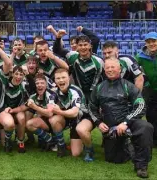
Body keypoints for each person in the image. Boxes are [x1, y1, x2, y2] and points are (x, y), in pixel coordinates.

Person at [89, 58, 153, 178]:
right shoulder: (99, 87)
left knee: (146, 127)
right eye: (107, 67)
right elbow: (91, 107)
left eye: (113, 67)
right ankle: (130, 144)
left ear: (120, 69)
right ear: (104, 69)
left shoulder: (128, 86)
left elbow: (141, 105)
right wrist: (98, 122)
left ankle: (141, 166)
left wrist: (126, 122)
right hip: (111, 128)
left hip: (128, 123)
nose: (110, 70)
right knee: (115, 159)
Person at [53, 32, 104, 162]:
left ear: (90, 46)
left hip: (94, 99)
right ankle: (80, 140)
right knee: (75, 153)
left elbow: (106, 80)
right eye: (80, 45)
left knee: (98, 121)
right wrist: (58, 37)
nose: (82, 47)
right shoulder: (73, 57)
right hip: (78, 96)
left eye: (85, 45)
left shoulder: (99, 61)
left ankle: (95, 146)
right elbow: (57, 50)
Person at [50, 68, 88, 157]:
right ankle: (61, 145)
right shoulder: (54, 91)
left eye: (63, 77)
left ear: (69, 78)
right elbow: (50, 106)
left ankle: (84, 140)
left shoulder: (74, 91)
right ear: (55, 80)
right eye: (58, 78)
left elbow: (74, 113)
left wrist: (58, 111)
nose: (61, 80)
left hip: (80, 119)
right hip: (68, 118)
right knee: (53, 119)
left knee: (75, 153)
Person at [25, 73, 56, 151]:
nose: (39, 85)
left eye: (42, 83)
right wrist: (12, 110)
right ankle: (49, 140)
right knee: (29, 123)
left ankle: (57, 140)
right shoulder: (33, 96)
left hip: (57, 121)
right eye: (37, 83)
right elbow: (24, 107)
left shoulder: (51, 95)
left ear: (46, 85)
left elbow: (50, 113)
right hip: (45, 121)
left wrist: (35, 107)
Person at [4, 65, 28, 153]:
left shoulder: (24, 85)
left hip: (18, 109)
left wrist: (14, 110)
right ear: (12, 74)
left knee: (21, 118)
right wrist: (6, 108)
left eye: (21, 74)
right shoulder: (6, 83)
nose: (18, 77)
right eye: (16, 74)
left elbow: (26, 104)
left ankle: (20, 141)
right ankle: (7, 140)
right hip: (6, 109)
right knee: (3, 143)